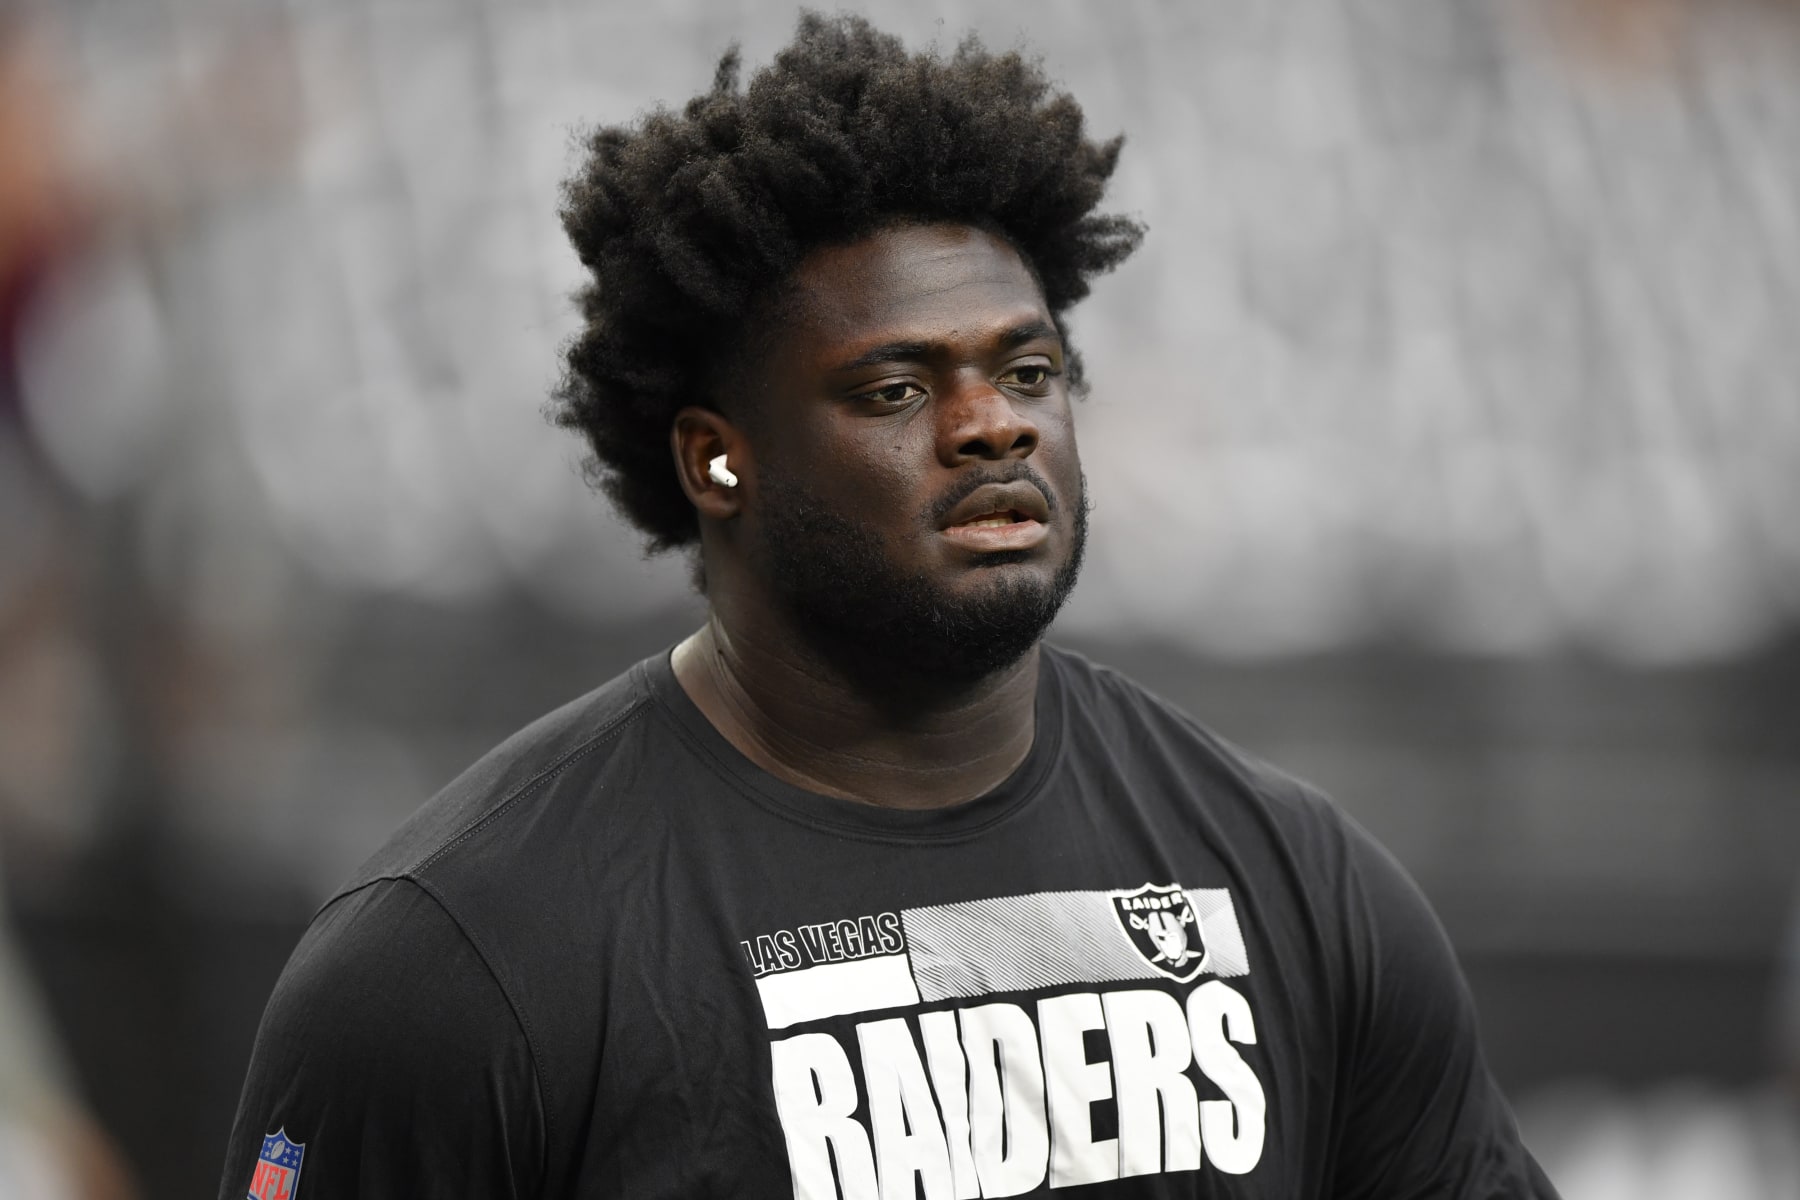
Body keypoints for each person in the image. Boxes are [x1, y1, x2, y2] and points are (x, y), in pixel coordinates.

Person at [218, 15, 1559, 1199]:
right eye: (895, 390)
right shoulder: (457, 961)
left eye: (1027, 371)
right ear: (717, 460)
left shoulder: (1294, 883)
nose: (992, 427)